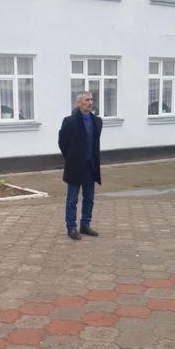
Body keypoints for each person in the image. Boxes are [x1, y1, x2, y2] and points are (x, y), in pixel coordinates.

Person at [58, 92, 102, 240]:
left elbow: (94, 143)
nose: (90, 102)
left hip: (91, 166)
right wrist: (71, 158)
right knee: (72, 199)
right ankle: (71, 227)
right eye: (86, 100)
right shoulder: (70, 121)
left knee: (89, 198)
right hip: (75, 167)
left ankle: (85, 224)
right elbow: (62, 143)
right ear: (79, 103)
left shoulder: (97, 121)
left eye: (91, 99)